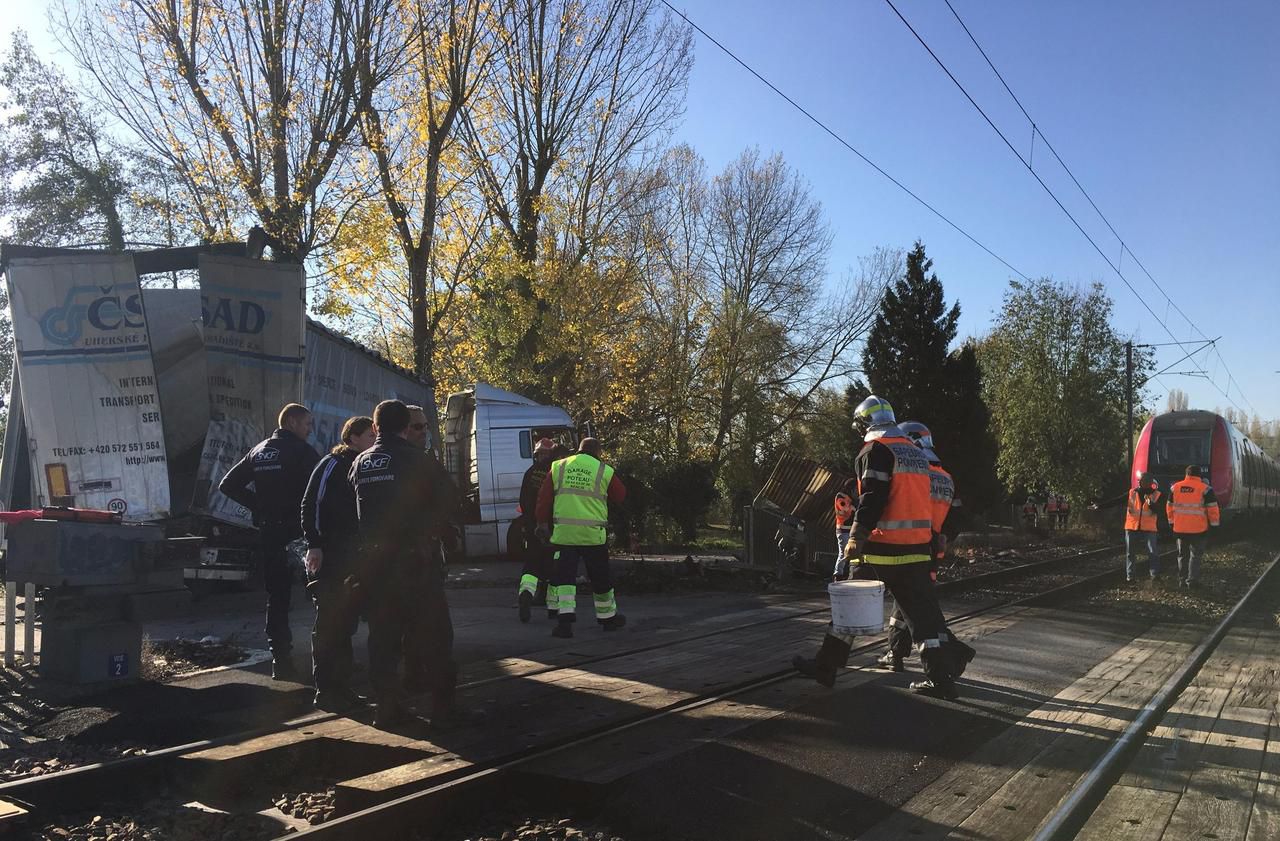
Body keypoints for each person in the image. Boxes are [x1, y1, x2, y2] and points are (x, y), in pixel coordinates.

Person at [792, 396, 961, 699]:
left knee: (849, 607)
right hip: (917, 549)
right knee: (921, 618)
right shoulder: (915, 453)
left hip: (881, 547)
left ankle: (826, 666)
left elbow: (873, 497)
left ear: (864, 423)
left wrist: (857, 534)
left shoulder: (875, 449)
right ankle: (941, 680)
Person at [350, 400, 461, 728]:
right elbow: (449, 499)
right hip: (414, 562)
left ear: (375, 427)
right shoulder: (417, 460)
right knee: (436, 635)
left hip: (376, 564)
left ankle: (387, 709)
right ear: (403, 427)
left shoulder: (360, 463)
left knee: (383, 639)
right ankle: (444, 709)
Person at [220, 403, 321, 680]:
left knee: (277, 597)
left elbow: (227, 485)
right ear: (291, 422)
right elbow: (319, 490)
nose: (309, 430)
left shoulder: (259, 450)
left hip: (270, 534)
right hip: (298, 534)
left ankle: (281, 660)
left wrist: (259, 507)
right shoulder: (301, 452)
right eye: (307, 424)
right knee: (322, 595)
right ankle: (328, 661)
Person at [875, 421, 975, 678]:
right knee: (912, 604)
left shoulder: (917, 472)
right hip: (931, 552)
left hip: (912, 547)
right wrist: (942, 538)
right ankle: (896, 653)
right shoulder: (946, 477)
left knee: (920, 609)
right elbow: (957, 517)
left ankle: (951, 652)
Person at [300, 416, 375, 711]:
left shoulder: (365, 464)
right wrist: (315, 543)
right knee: (331, 623)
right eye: (369, 435)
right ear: (352, 438)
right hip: (332, 556)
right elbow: (311, 504)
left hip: (354, 556)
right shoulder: (333, 463)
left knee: (346, 624)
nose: (373, 439)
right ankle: (327, 689)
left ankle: (342, 687)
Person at [535, 438, 627, 639]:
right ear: (598, 452)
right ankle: (608, 619)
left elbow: (544, 498)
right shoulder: (604, 470)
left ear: (578, 450)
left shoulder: (559, 467)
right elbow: (620, 495)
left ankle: (564, 624)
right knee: (601, 578)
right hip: (593, 536)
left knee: (565, 580)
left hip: (565, 536)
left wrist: (542, 524)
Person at [516, 438, 559, 622]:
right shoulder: (556, 472)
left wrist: (529, 524)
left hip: (533, 528)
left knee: (531, 565)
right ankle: (552, 608)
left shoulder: (529, 473)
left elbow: (523, 502)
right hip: (552, 528)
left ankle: (526, 595)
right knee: (553, 567)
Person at [1167, 465, 1220, 588]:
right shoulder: (1206, 489)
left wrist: (1171, 522)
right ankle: (1192, 581)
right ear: (1199, 475)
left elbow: (1169, 507)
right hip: (1198, 530)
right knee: (1195, 556)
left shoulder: (1174, 488)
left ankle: (1182, 580)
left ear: (1186, 474)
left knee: (1182, 555)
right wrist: (1214, 525)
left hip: (1179, 529)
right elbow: (1213, 509)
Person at [1120, 472, 1163, 584]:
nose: (1140, 482)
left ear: (1149, 482)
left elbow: (1161, 511)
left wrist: (1151, 504)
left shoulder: (1157, 494)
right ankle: (1130, 577)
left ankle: (1154, 575)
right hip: (1132, 527)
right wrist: (1100, 505)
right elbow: (1118, 500)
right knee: (1130, 553)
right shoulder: (1132, 492)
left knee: (1152, 552)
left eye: (1142, 480)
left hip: (1149, 528)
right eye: (1140, 480)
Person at [833, 478, 856, 572]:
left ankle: (845, 573)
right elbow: (846, 507)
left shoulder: (850, 497)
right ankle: (837, 574)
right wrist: (854, 506)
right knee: (843, 554)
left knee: (851, 553)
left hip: (849, 529)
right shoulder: (840, 496)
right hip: (843, 529)